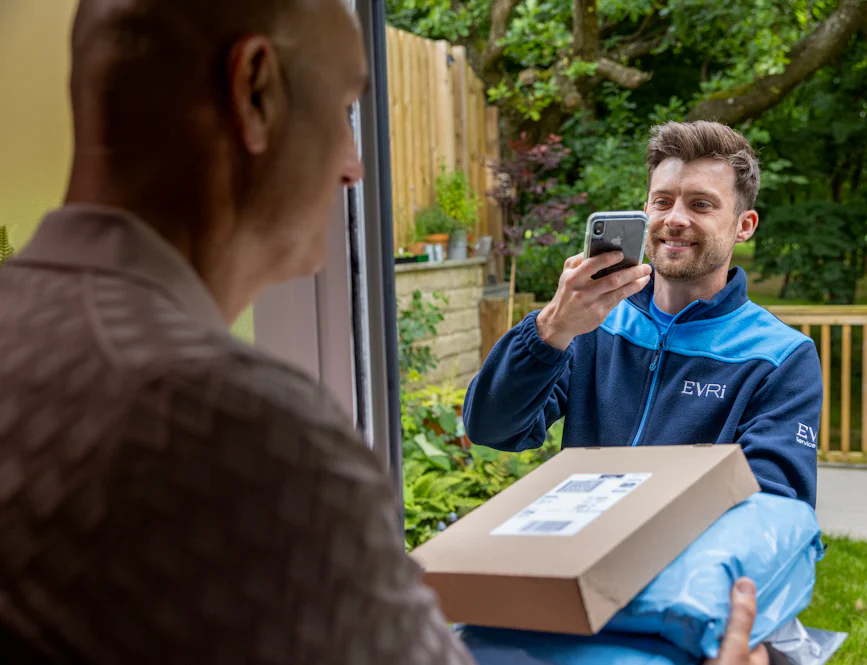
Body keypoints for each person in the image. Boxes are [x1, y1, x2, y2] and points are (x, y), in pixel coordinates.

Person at [0, 1, 765, 663]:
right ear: (255, 89)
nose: (354, 167)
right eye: (342, 113)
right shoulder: (240, 425)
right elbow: (491, 423)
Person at [465, 121, 822, 507]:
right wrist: (551, 327)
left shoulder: (779, 356)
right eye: (663, 201)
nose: (675, 219)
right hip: (580, 553)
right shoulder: (593, 323)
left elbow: (772, 504)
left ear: (744, 225)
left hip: (685, 563)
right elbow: (492, 429)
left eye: (701, 204)